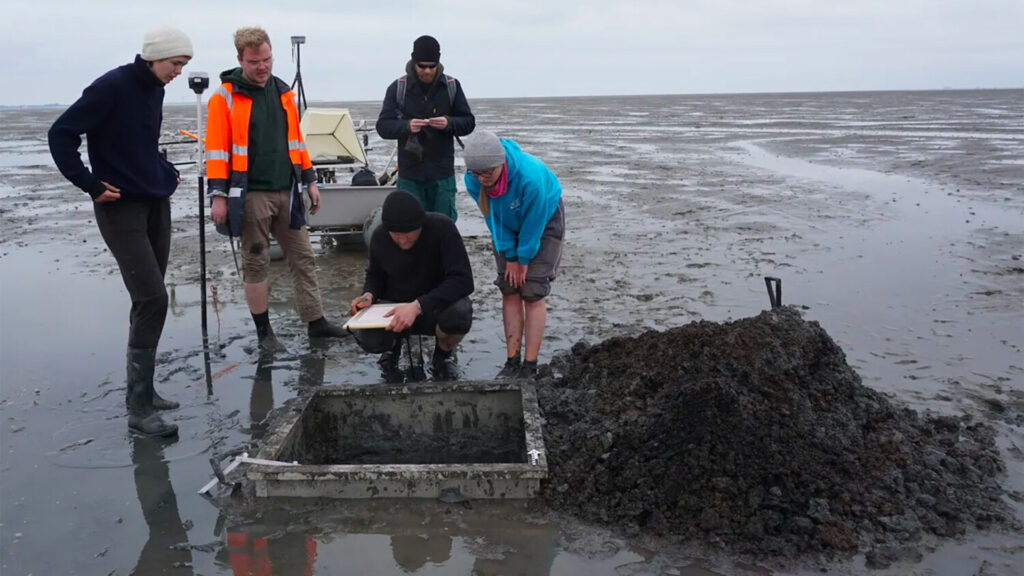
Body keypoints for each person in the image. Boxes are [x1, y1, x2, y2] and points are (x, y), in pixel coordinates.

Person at [48, 26, 194, 437]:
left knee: (147, 298)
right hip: (119, 206)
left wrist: (164, 171)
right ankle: (138, 411)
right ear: (154, 56)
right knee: (153, 298)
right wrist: (90, 184)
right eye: (175, 64)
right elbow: (61, 134)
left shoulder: (155, 89)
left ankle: (144, 390)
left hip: (154, 202)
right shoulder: (110, 87)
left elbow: (143, 143)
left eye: (184, 65)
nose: (179, 72)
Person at [206, 27, 346, 352]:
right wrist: (218, 198)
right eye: (255, 61)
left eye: (267, 59)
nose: (262, 67)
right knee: (256, 262)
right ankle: (264, 333)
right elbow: (216, 151)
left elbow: (297, 143)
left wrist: (311, 181)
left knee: (304, 258)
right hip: (250, 194)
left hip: (288, 192)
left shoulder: (284, 93)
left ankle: (316, 323)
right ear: (240, 59)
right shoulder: (224, 97)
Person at [462, 131, 565, 379]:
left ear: (501, 164)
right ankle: (512, 361)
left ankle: (529, 365)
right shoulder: (473, 180)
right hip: (504, 225)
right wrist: (509, 255)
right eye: (477, 173)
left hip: (544, 220)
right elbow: (492, 218)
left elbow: (534, 222)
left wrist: (524, 258)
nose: (483, 179)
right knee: (509, 288)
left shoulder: (530, 176)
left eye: (488, 172)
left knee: (532, 291)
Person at [350, 191, 474, 381]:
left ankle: (443, 353)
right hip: (395, 307)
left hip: (435, 306)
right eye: (396, 235)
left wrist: (418, 306)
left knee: (461, 312)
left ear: (420, 226)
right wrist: (369, 295)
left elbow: (463, 280)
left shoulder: (442, 228)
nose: (402, 241)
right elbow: (375, 275)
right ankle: (392, 349)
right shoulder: (380, 236)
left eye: (408, 234)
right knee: (368, 337)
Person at [376, 35, 475, 221]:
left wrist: (448, 123)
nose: (427, 71)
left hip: (442, 174)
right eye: (422, 66)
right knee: (409, 225)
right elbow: (383, 126)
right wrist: (406, 126)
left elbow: (469, 122)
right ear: (414, 62)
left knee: (443, 226)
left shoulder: (452, 86)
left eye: (432, 66)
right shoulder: (398, 88)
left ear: (438, 63)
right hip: (410, 175)